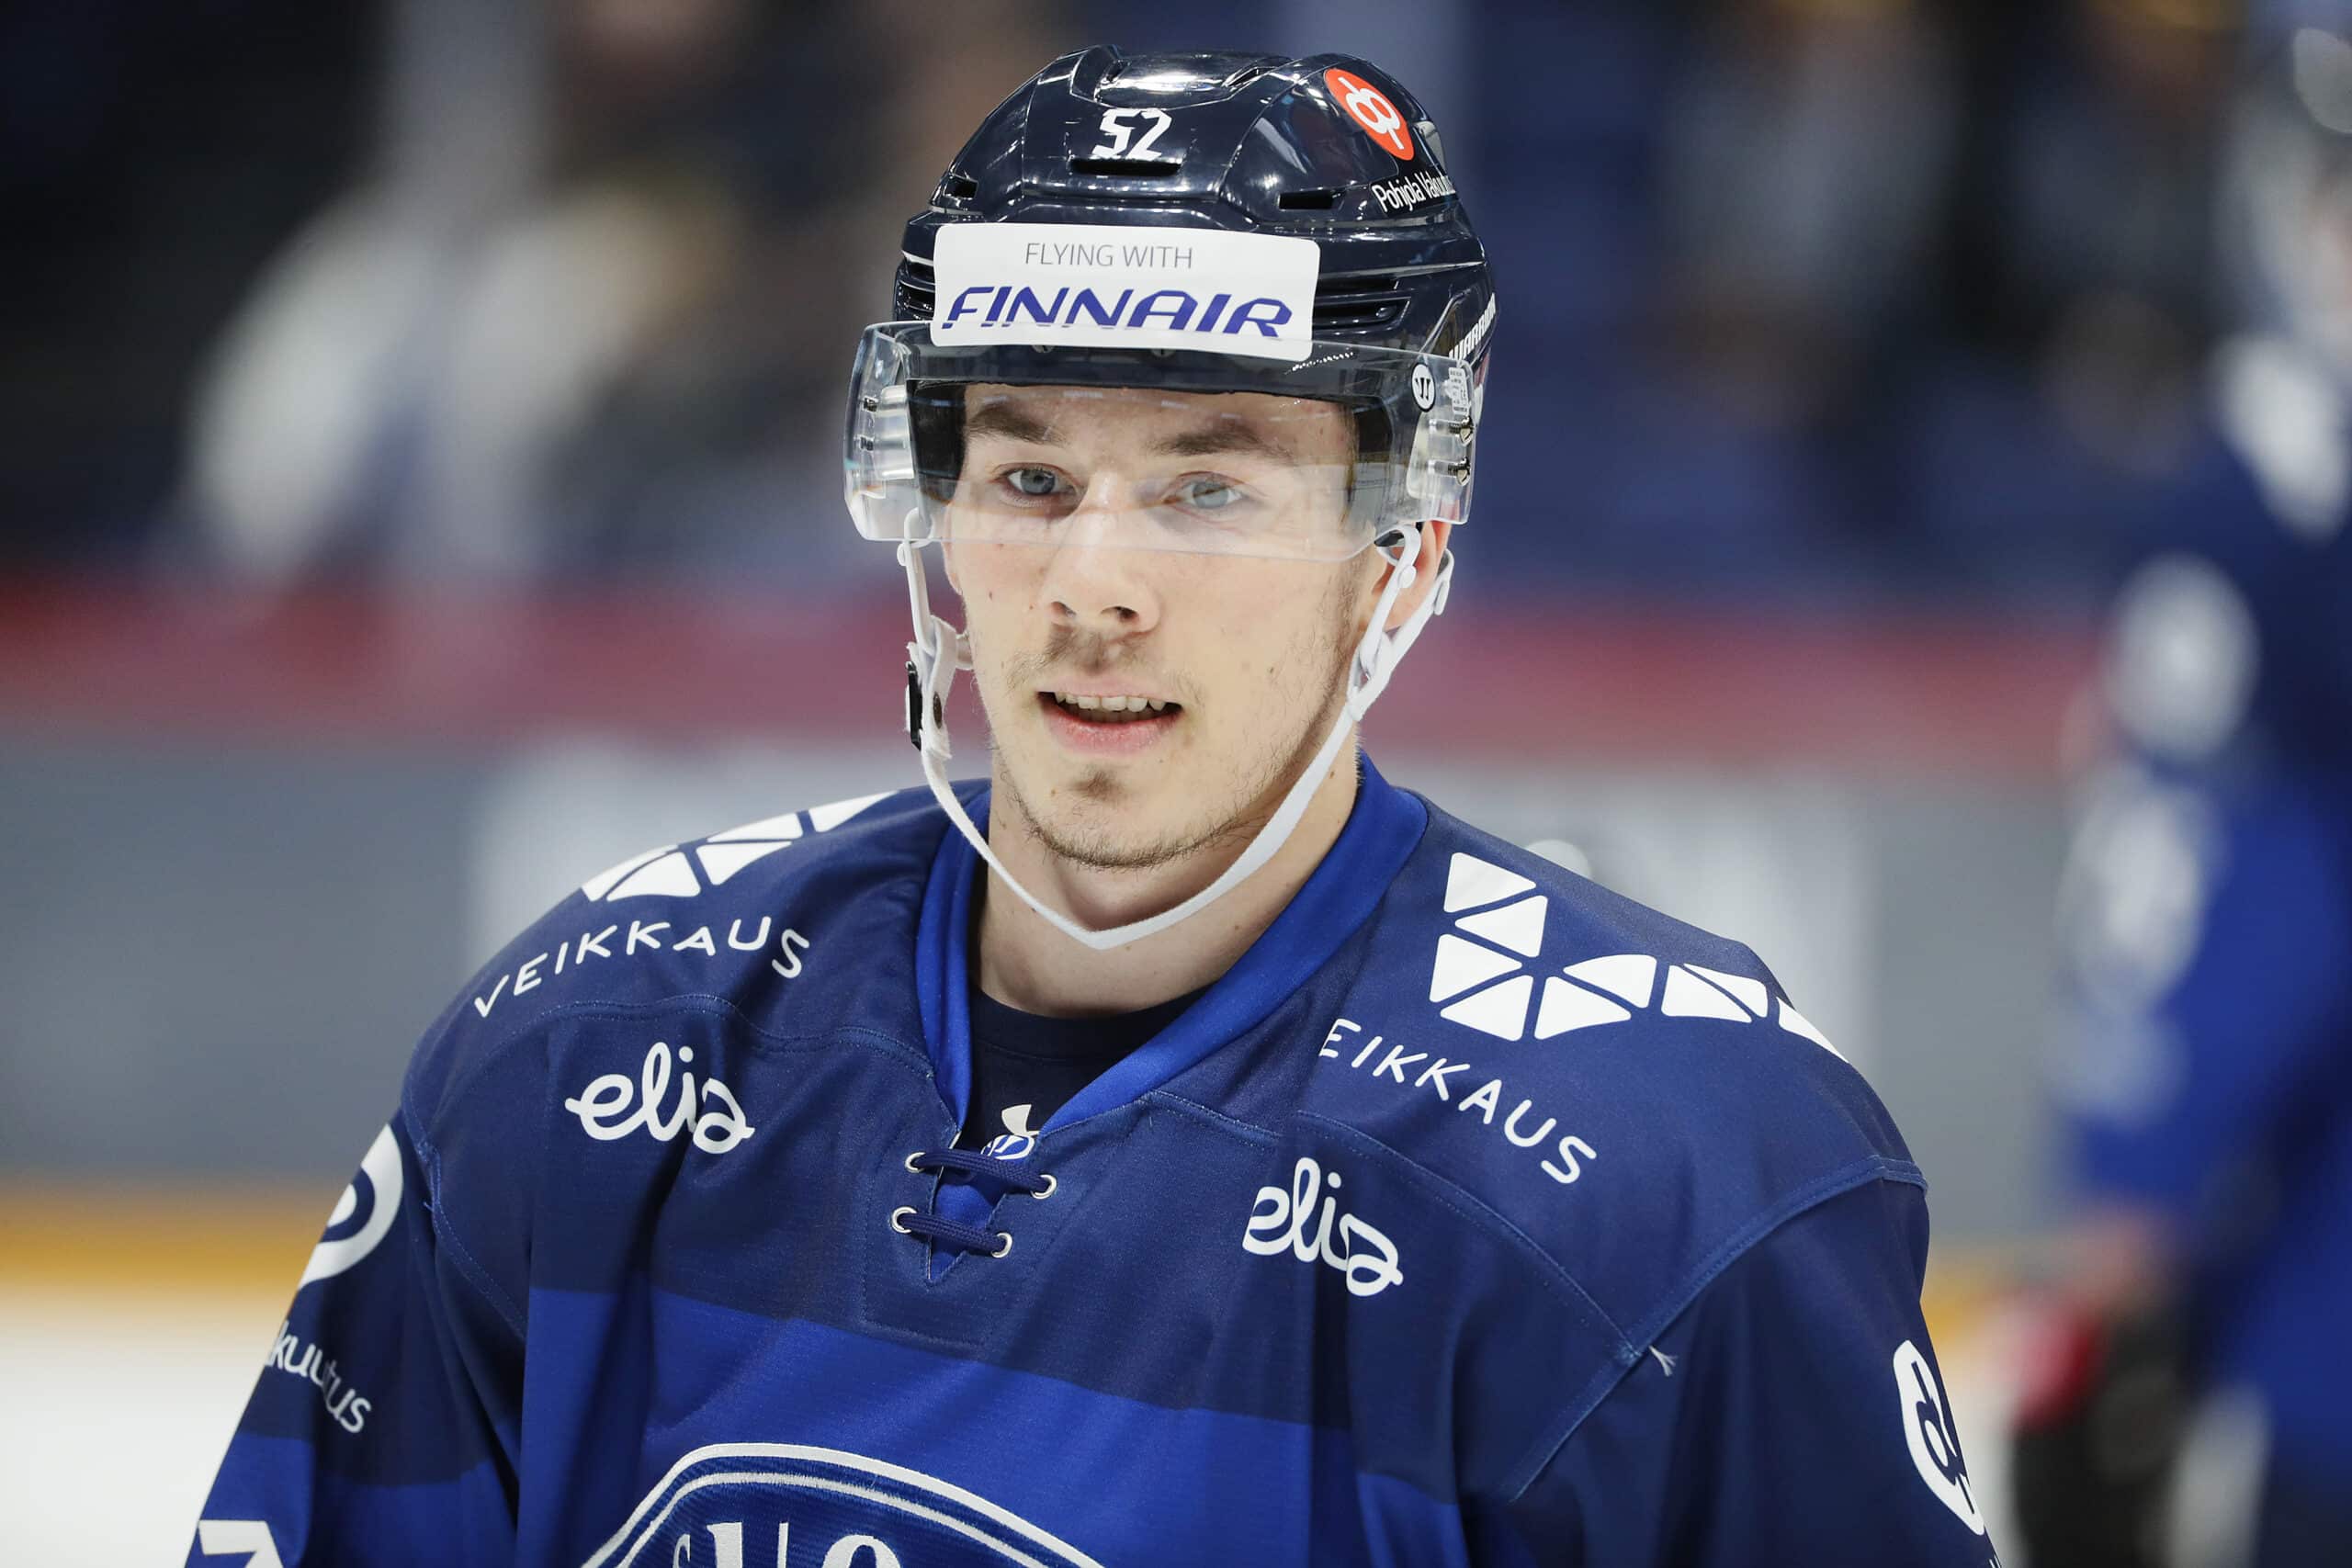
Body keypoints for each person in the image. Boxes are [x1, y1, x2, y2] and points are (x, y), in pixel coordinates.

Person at [188, 47, 1997, 1567]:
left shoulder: (1675, 1185)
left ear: (1404, 539)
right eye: (1031, 475)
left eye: (1208, 489)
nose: (1092, 588)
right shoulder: (585, 1044)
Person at [2012, 14, 2352, 1563]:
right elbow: (2215, 867)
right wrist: (2134, 1195)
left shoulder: (2265, 505)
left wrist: (2129, 1207)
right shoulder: (2264, 520)